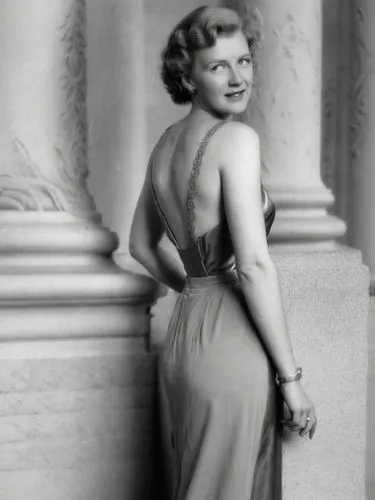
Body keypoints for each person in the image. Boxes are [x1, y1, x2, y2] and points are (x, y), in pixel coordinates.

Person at [129, 6, 317, 499]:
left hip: (186, 335)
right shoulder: (236, 140)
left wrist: (199, 289)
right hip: (229, 347)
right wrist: (291, 379)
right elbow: (253, 265)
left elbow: (141, 247)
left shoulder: (165, 145)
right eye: (218, 66)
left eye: (245, 60)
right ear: (187, 78)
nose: (238, 78)